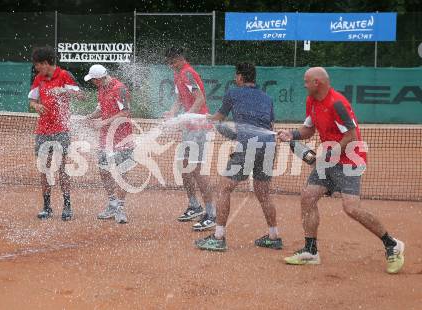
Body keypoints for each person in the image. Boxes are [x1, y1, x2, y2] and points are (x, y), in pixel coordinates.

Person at [278, 67, 404, 274]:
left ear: (317, 82)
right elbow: (309, 129)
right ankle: (311, 251)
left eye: (306, 81)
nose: (304, 84)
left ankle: (392, 244)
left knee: (351, 207)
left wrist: (330, 154)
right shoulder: (312, 101)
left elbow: (351, 136)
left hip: (350, 159)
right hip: (329, 159)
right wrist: (291, 135)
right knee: (308, 197)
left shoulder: (337, 103)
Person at [195, 63, 282, 251]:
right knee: (264, 193)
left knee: (223, 189)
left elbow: (219, 117)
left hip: (249, 147)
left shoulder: (233, 93)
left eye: (236, 76)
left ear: (241, 78)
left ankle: (218, 238)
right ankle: (274, 236)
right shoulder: (267, 98)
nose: (235, 79)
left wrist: (207, 119)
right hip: (269, 147)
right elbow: (269, 127)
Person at [164, 47, 216, 231]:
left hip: (199, 128)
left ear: (179, 60)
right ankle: (194, 206)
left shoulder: (187, 73)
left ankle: (211, 213)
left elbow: (200, 99)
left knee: (197, 171)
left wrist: (185, 116)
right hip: (189, 128)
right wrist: (172, 113)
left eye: (171, 63)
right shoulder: (178, 75)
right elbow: (179, 100)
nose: (170, 67)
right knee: (185, 167)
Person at [29, 46, 83, 221]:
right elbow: (32, 100)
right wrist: (37, 106)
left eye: (37, 65)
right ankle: (46, 207)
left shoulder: (65, 75)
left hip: (61, 130)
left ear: (45, 63)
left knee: (61, 170)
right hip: (42, 131)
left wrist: (64, 90)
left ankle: (67, 207)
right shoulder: (39, 78)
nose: (36, 68)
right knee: (44, 169)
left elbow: (82, 96)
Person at [84, 64, 134, 224]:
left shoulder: (120, 89)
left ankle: (120, 207)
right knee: (104, 170)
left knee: (121, 172)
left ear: (99, 79)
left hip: (123, 137)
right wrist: (90, 117)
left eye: (93, 80)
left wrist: (103, 122)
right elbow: (100, 108)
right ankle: (112, 203)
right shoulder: (102, 89)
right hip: (106, 138)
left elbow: (125, 112)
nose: (92, 83)